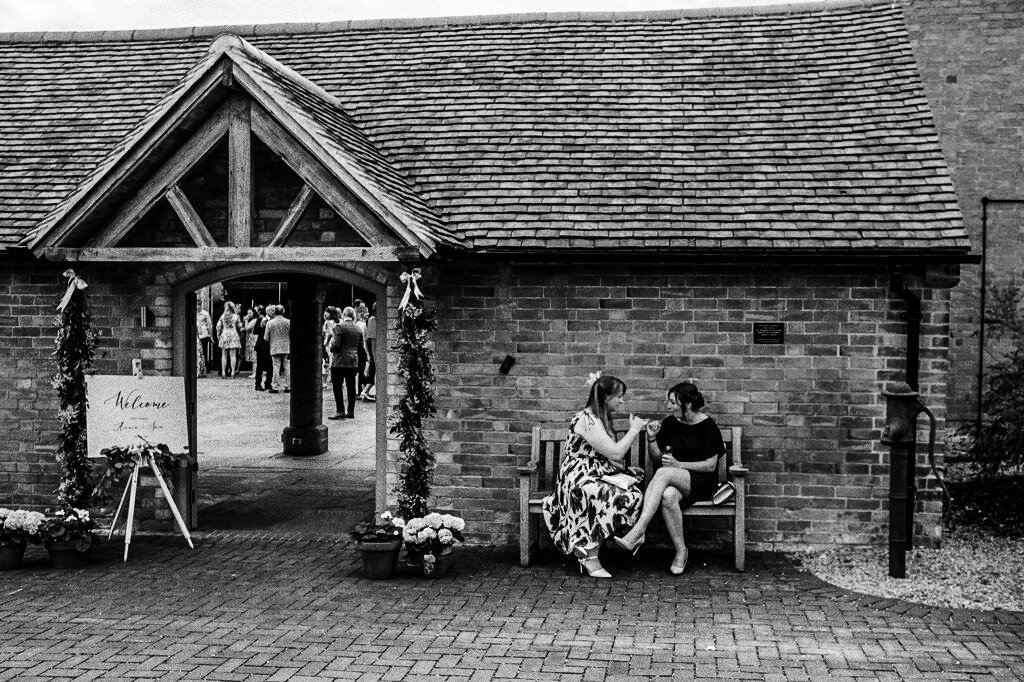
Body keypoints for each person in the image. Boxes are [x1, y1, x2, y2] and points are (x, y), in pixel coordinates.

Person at [541, 372, 647, 579]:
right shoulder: (586, 419)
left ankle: (627, 534)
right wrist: (634, 430)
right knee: (602, 496)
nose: (622, 401)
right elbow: (616, 452)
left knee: (633, 494)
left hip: (596, 472)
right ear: (606, 397)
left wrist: (625, 471)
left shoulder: (600, 418)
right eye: (619, 396)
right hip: (577, 477)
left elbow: (604, 456)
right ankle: (589, 554)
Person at [613, 382, 725, 575]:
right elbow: (657, 458)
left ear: (687, 404)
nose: (669, 406)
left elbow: (710, 465)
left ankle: (639, 531)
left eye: (673, 402)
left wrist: (679, 465)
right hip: (672, 481)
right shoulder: (670, 423)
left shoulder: (708, 426)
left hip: (699, 483)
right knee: (668, 496)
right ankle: (681, 551)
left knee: (664, 472)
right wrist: (651, 438)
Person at [328, 306, 363, 420]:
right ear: (353, 316)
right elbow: (360, 348)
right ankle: (351, 411)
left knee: (337, 386)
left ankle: (340, 410)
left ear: (343, 315)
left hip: (339, 361)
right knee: (351, 386)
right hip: (353, 361)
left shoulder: (339, 326)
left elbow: (336, 345)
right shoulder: (358, 329)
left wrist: (331, 347)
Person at [265, 304, 291, 393]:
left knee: (276, 367)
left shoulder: (270, 323)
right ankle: (288, 386)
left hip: (275, 347)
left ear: (275, 312)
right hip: (286, 346)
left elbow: (266, 337)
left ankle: (275, 386)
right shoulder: (288, 322)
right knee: (287, 367)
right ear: (283, 311)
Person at [216, 301, 243, 378]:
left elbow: (218, 327)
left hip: (224, 335)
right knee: (233, 355)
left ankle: (224, 373)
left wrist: (218, 336)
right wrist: (240, 333)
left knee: (224, 355)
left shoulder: (222, 316)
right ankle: (233, 373)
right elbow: (240, 327)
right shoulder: (236, 316)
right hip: (233, 335)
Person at [358, 302, 376, 402]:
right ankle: (365, 391)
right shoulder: (373, 320)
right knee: (371, 374)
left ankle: (365, 392)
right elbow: (371, 340)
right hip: (373, 353)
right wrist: (372, 357)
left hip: (372, 353)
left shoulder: (370, 321)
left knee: (370, 374)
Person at [252, 305, 272, 391]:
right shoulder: (260, 319)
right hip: (261, 345)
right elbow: (255, 332)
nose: (273, 312)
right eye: (271, 311)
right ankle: (258, 384)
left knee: (270, 366)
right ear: (267, 312)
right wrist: (261, 325)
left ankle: (268, 383)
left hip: (271, 345)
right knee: (259, 366)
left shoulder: (274, 321)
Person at [197, 308, 213, 373]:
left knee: (203, 352)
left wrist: (210, 335)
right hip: (196, 335)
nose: (198, 306)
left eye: (199, 304)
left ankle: (205, 368)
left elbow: (209, 324)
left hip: (203, 335)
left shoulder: (205, 313)